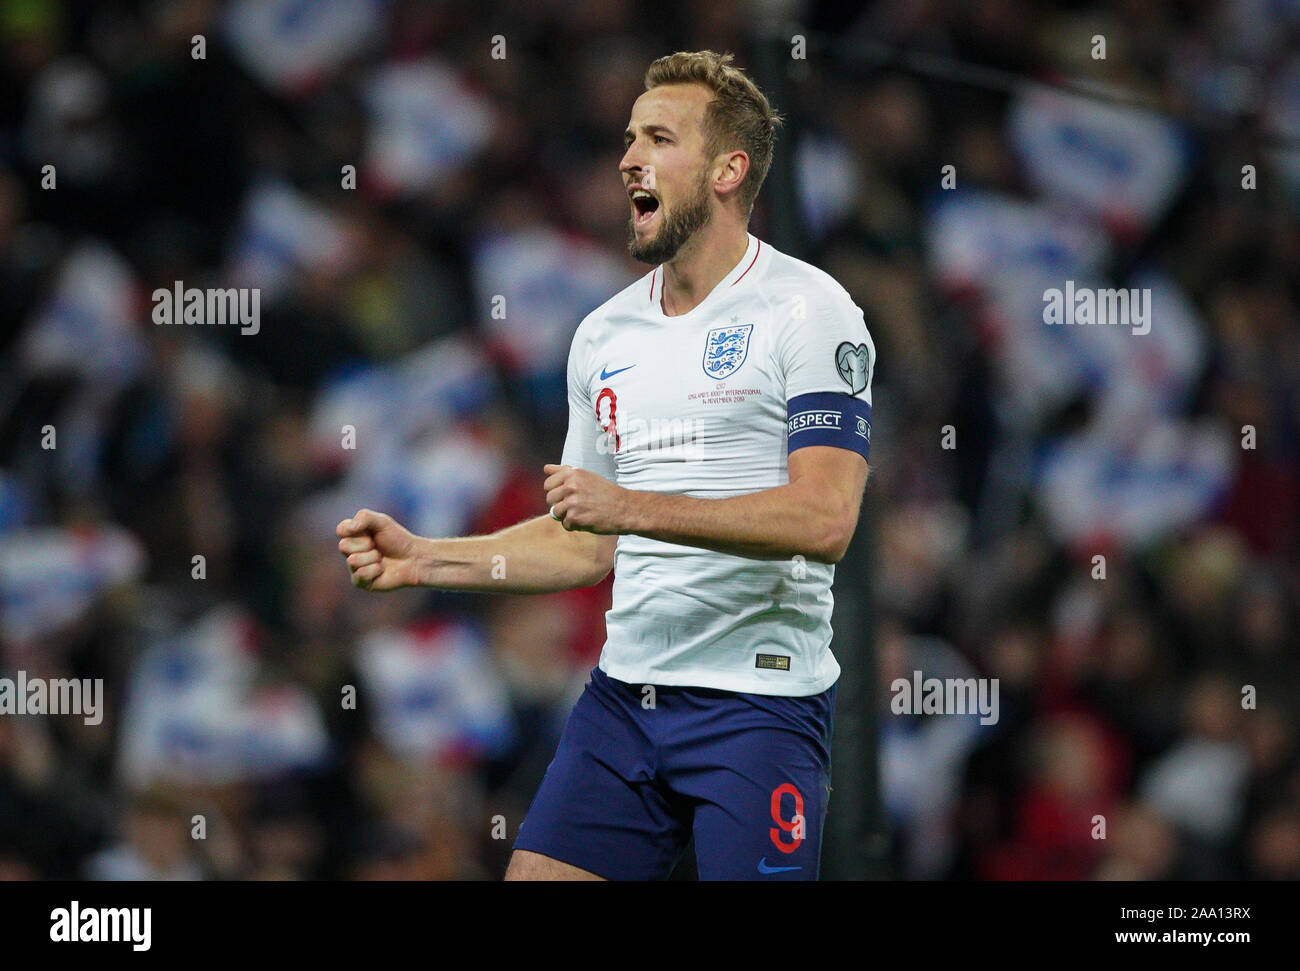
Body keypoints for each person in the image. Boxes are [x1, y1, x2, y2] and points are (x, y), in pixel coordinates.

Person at [336, 50, 875, 880]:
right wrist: (427, 559)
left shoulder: (810, 311)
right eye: (628, 137)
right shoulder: (602, 336)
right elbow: (584, 541)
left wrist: (635, 509)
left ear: (729, 169)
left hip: (758, 707)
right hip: (626, 700)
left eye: (659, 137)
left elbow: (825, 519)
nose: (628, 157)